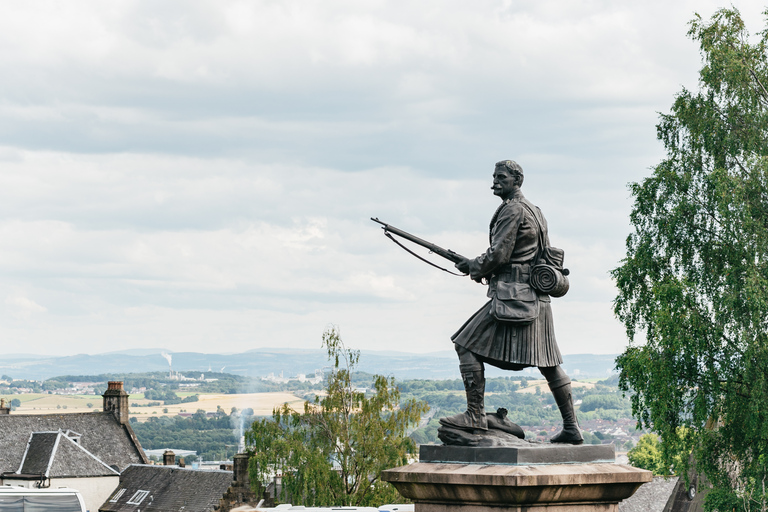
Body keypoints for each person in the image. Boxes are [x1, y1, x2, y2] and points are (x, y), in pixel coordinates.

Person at [439, 160, 583, 444]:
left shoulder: (514, 209)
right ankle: (572, 427)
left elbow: (499, 255)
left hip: (515, 297)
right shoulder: (534, 210)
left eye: (501, 177)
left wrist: (473, 265)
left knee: (465, 344)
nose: (495, 181)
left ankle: (475, 415)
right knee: (549, 363)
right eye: (493, 176)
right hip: (534, 298)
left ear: (517, 180)